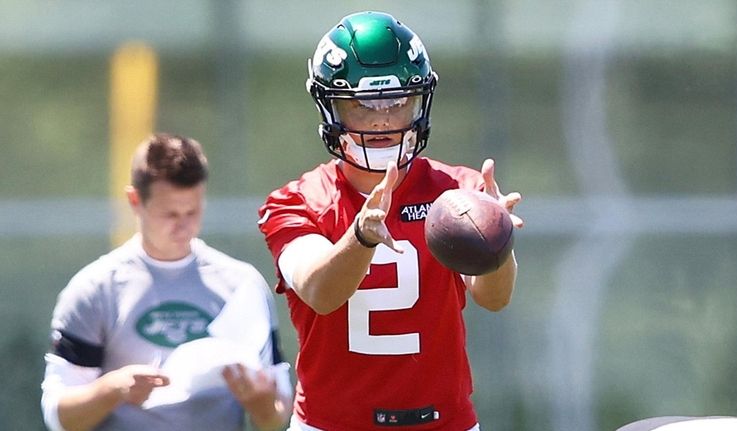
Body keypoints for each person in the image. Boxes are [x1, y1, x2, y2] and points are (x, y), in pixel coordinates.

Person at [258, 11, 523, 431]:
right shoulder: (298, 200)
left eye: (398, 102)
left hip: (445, 423)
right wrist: (361, 236)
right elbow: (319, 292)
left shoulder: (458, 191)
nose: (381, 119)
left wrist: (496, 242)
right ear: (332, 108)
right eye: (362, 105)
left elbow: (494, 298)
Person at [41, 133, 292, 431]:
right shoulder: (95, 289)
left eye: (193, 211)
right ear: (135, 201)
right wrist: (114, 390)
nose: (183, 225)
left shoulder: (242, 284)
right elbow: (58, 417)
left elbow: (277, 416)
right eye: (170, 213)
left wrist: (262, 405)